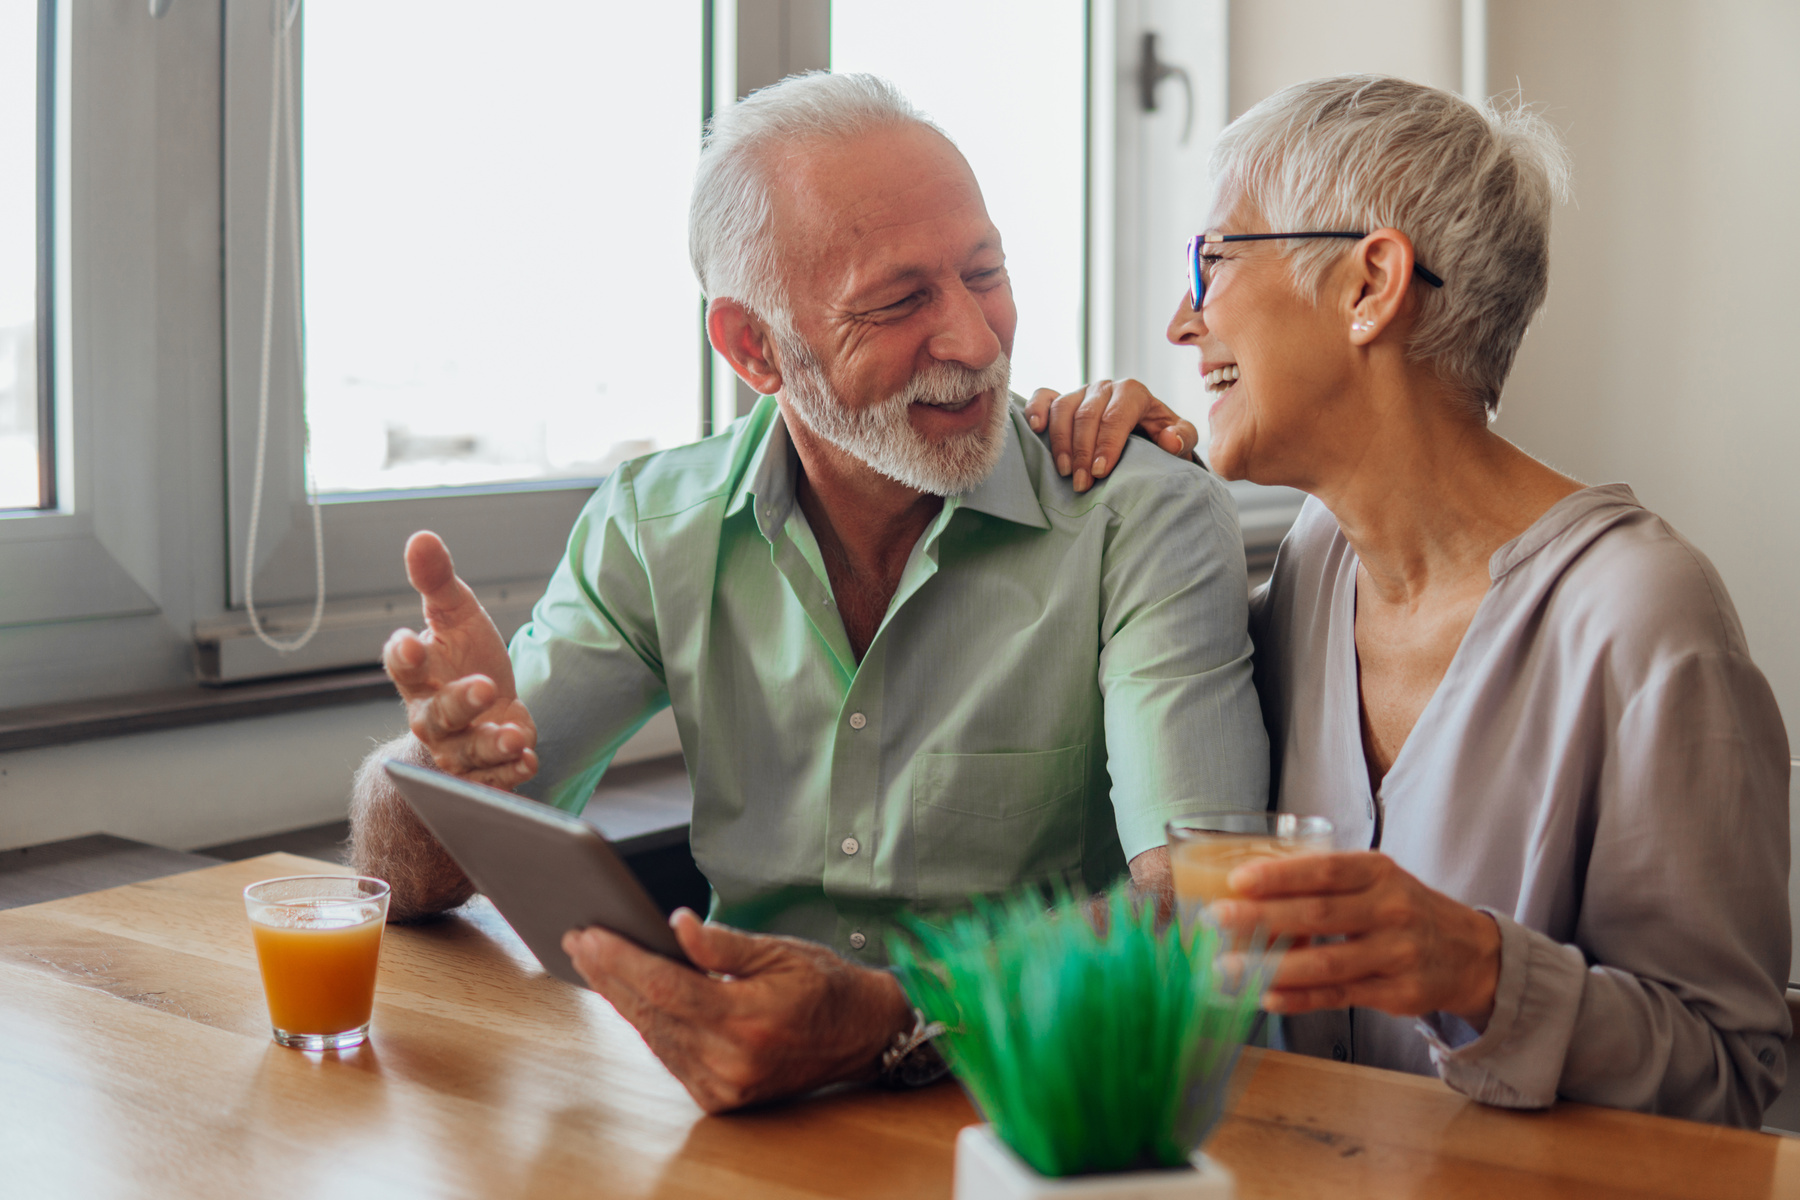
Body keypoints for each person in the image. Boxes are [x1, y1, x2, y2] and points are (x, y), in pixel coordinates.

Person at [346, 72, 1266, 1113]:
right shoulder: (656, 528)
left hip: (1043, 1109)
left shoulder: (1137, 516)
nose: (974, 339)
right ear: (754, 348)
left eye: (986, 271)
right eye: (899, 301)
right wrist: (435, 765)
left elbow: (1202, 906)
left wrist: (891, 1022)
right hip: (748, 1116)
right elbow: (420, 879)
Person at [1026, 75, 1791, 1126]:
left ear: (1371, 283)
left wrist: (1481, 970)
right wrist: (1113, 482)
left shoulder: (1644, 617)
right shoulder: (1312, 564)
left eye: (1213, 261)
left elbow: (1736, 1078)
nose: (1179, 319)